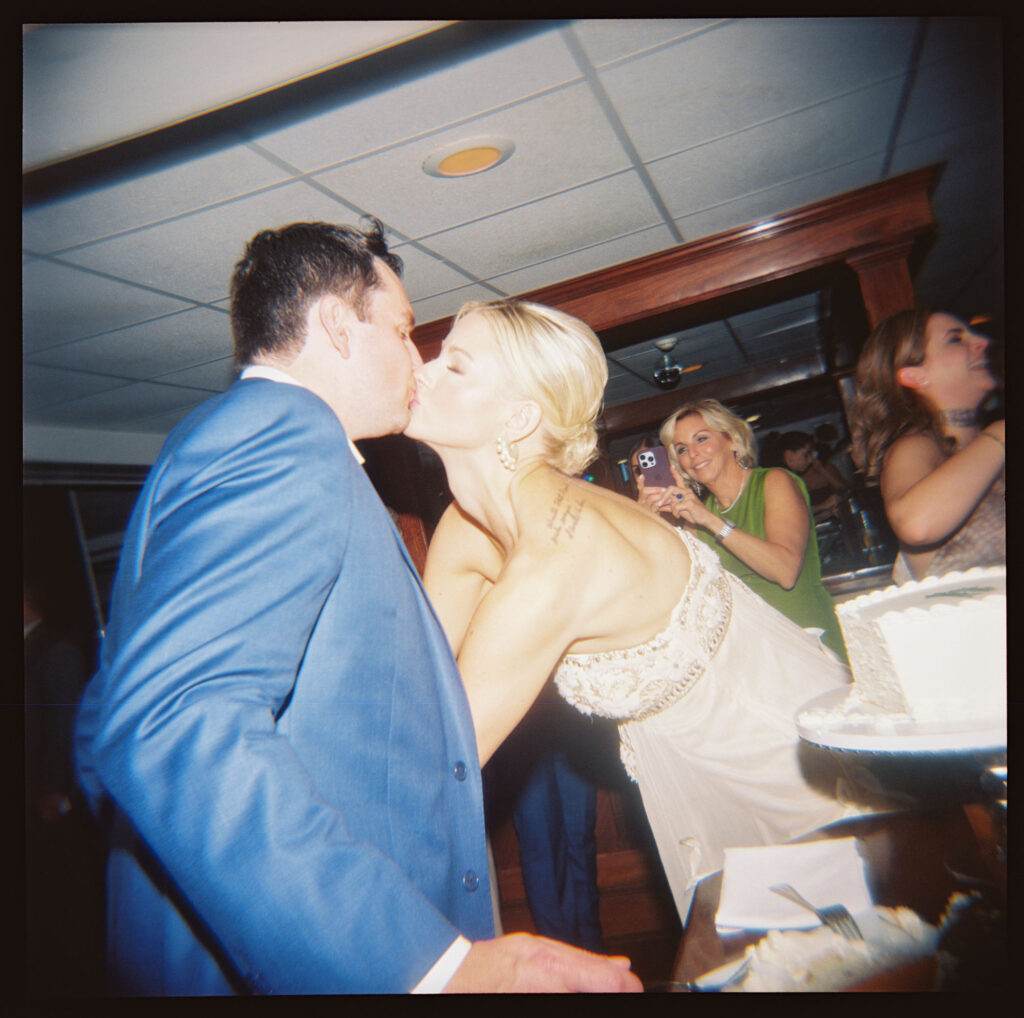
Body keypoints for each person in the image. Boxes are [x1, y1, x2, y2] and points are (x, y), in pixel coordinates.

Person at [72, 221, 641, 995]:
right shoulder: (281, 437)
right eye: (405, 331)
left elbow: (103, 714)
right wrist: (426, 966)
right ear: (340, 328)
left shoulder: (240, 446)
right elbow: (168, 718)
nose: (417, 359)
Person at [408, 299, 864, 926]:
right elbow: (412, 686)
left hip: (781, 755)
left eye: (454, 366)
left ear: (518, 419)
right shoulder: (467, 527)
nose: (423, 370)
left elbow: (432, 767)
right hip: (687, 763)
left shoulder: (555, 558)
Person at [639, 399, 846, 660]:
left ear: (732, 440)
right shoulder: (697, 517)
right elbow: (678, 594)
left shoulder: (773, 482)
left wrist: (711, 521)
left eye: (701, 439)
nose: (693, 454)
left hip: (810, 643)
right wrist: (646, 514)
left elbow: (785, 571)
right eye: (681, 449)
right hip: (755, 657)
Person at [851, 309, 1005, 583]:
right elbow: (916, 524)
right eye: (956, 340)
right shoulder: (916, 447)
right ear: (915, 376)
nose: (982, 342)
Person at [777, 430, 850, 523]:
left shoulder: (792, 475)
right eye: (805, 455)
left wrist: (827, 513)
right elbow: (789, 515)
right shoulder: (782, 479)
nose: (810, 460)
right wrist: (823, 505)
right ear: (789, 455)